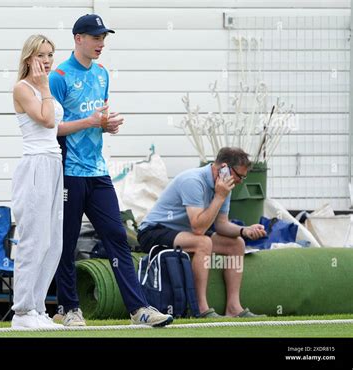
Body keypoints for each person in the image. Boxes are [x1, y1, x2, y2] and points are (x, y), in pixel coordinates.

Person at [49, 14, 173, 327]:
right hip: (69, 171)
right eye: (94, 37)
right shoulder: (59, 76)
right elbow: (51, 129)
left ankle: (139, 310)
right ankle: (69, 308)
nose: (101, 43)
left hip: (97, 170)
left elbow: (94, 121)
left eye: (103, 37)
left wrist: (105, 126)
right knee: (68, 239)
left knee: (117, 236)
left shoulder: (103, 73)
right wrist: (91, 122)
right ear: (78, 38)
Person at [137, 147, 267, 318]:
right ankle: (200, 308)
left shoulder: (225, 185)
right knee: (203, 242)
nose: (241, 181)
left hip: (185, 233)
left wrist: (244, 230)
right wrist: (219, 196)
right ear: (224, 168)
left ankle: (233, 307)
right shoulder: (193, 181)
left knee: (236, 244)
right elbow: (199, 228)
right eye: (239, 176)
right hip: (153, 231)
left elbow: (221, 225)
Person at [11, 34, 64, 329]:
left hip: (54, 163)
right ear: (29, 57)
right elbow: (45, 120)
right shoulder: (23, 88)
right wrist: (44, 86)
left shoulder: (44, 90)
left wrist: (94, 123)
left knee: (53, 241)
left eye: (50, 55)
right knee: (33, 239)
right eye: (41, 55)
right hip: (35, 167)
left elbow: (56, 125)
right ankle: (22, 311)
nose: (46, 61)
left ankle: (37, 307)